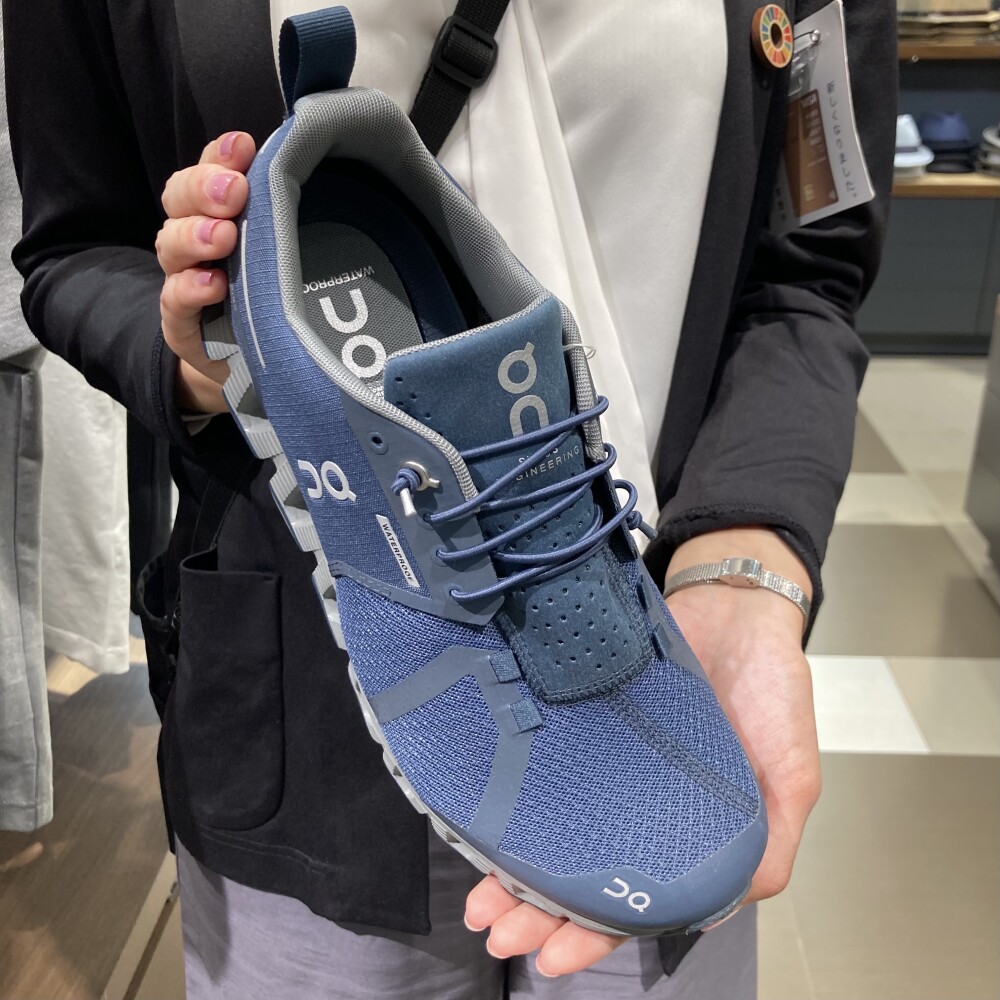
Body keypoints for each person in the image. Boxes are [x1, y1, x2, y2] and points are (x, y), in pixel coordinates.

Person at [4, 0, 896, 996]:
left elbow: (805, 272)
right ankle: (333, 416)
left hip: (660, 637)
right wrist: (201, 358)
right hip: (289, 704)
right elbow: (70, 248)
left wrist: (744, 567)